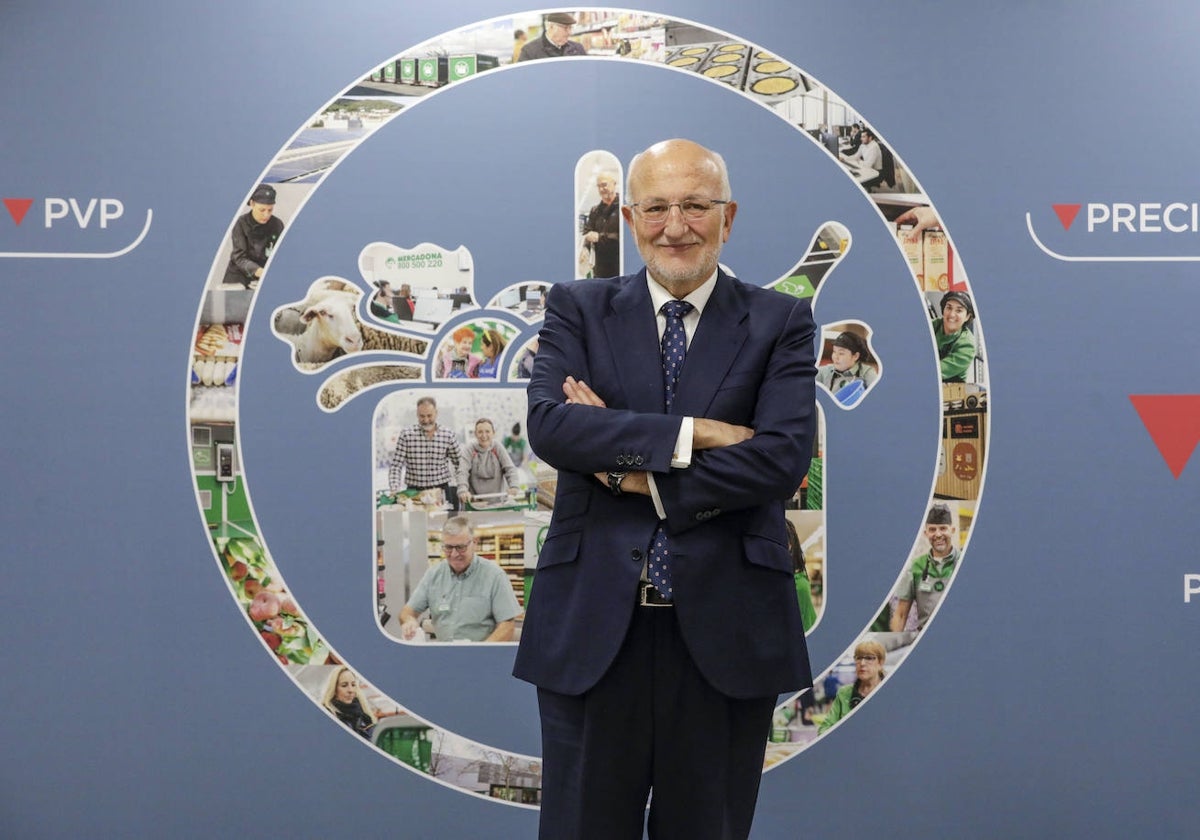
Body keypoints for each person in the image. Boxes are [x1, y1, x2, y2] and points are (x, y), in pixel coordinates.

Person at [514, 139, 817, 840]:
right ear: (628, 217)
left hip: (725, 632)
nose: (673, 225)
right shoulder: (578, 309)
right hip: (593, 631)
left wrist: (628, 468)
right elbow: (553, 429)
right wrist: (698, 434)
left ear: (728, 217)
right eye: (655, 207)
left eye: (693, 206)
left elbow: (779, 460)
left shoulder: (780, 323)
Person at [399, 517, 521, 642]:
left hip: (481, 657)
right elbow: (407, 611)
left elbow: (507, 626)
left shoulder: (494, 575)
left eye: (460, 547)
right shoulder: (433, 574)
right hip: (444, 656)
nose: (454, 554)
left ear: (474, 543)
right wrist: (409, 621)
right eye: (448, 548)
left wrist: (480, 654)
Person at [387, 396, 467, 509]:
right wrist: (394, 488)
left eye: (429, 415)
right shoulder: (406, 435)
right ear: (417, 414)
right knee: (417, 526)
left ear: (436, 413)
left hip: (441, 491)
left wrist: (463, 487)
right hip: (414, 493)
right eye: (422, 416)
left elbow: (460, 465)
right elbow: (396, 466)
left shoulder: (448, 435)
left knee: (443, 525)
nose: (426, 420)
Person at [891, 503, 958, 631]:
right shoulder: (915, 567)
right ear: (925, 533)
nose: (938, 534)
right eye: (932, 529)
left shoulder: (962, 562)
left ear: (952, 530)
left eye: (943, 528)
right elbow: (900, 615)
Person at [221, 183, 285, 289]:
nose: (266, 215)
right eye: (262, 210)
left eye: (270, 210)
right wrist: (259, 271)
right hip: (238, 276)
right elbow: (239, 257)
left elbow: (281, 256)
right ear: (252, 203)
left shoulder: (277, 224)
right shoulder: (240, 223)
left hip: (262, 277)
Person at [817, 640, 886, 734]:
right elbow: (824, 728)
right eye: (858, 658)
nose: (862, 663)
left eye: (869, 658)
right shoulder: (844, 693)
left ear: (880, 663)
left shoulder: (890, 692)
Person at [461, 418, 521, 502]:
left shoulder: (498, 447)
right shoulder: (469, 449)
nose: (484, 435)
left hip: (498, 501)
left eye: (487, 431)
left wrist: (514, 486)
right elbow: (462, 472)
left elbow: (510, 469)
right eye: (480, 432)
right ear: (475, 434)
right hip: (476, 503)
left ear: (493, 433)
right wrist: (463, 490)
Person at [581, 172, 621, 278]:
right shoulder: (595, 210)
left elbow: (623, 237)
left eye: (604, 185)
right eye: (598, 186)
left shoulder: (623, 208)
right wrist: (585, 247)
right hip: (599, 269)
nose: (601, 189)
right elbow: (587, 231)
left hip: (618, 267)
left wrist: (600, 237)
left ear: (614, 183)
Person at [815, 330, 878, 398]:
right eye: (834, 351)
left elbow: (877, 396)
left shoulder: (867, 373)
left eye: (841, 353)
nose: (836, 357)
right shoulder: (823, 372)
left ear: (855, 356)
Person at [321, 666, 377, 739]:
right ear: (334, 690)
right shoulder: (327, 716)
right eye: (344, 685)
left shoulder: (365, 716)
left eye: (353, 685)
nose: (350, 690)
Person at [933, 290, 977, 382]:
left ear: (967, 316)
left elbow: (936, 372)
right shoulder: (933, 325)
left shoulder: (967, 345)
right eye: (949, 307)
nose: (952, 315)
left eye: (959, 310)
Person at [517, 12, 587, 60]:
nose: (570, 33)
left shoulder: (578, 48)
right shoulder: (529, 51)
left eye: (570, 28)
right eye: (565, 28)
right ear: (551, 27)